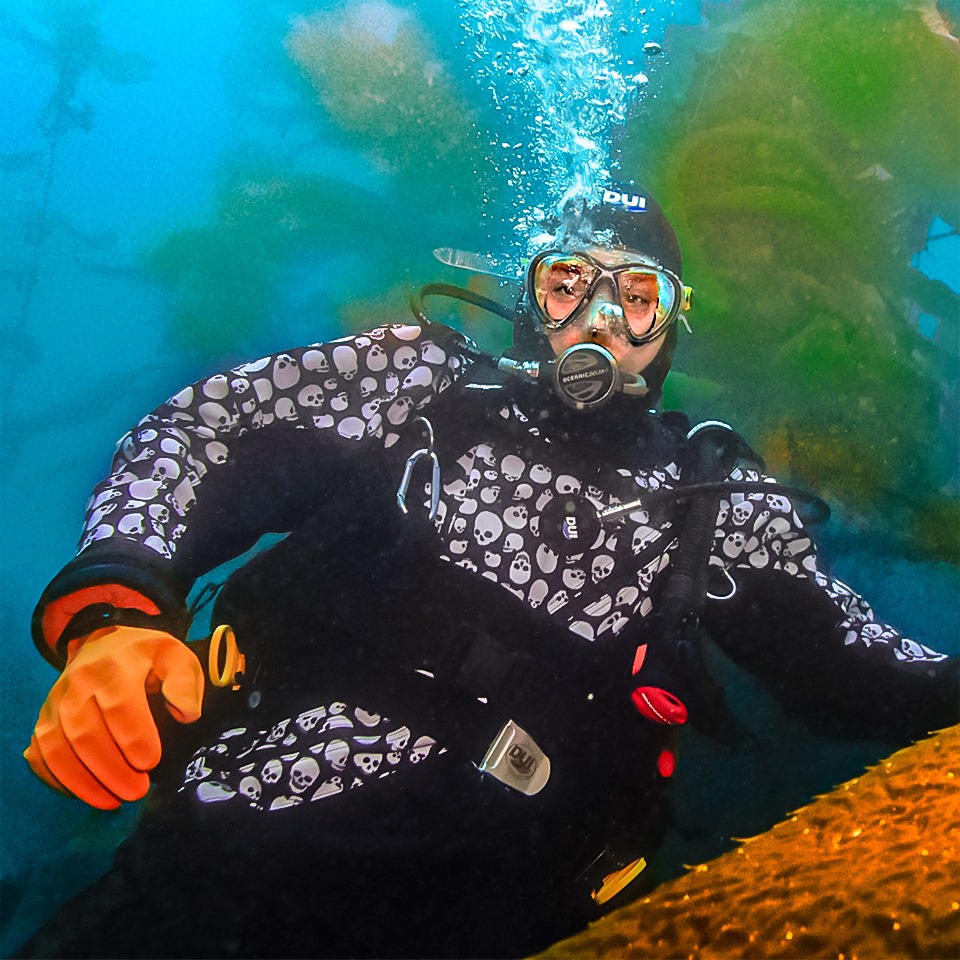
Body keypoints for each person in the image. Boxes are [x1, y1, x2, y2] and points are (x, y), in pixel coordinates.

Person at [20, 185, 958, 959]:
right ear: (529, 292)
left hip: (493, 914)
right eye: (568, 285)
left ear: (672, 322)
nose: (600, 322)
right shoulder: (415, 382)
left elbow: (849, 654)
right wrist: (116, 618)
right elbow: (205, 428)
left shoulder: (712, 497)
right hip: (223, 859)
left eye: (636, 297)